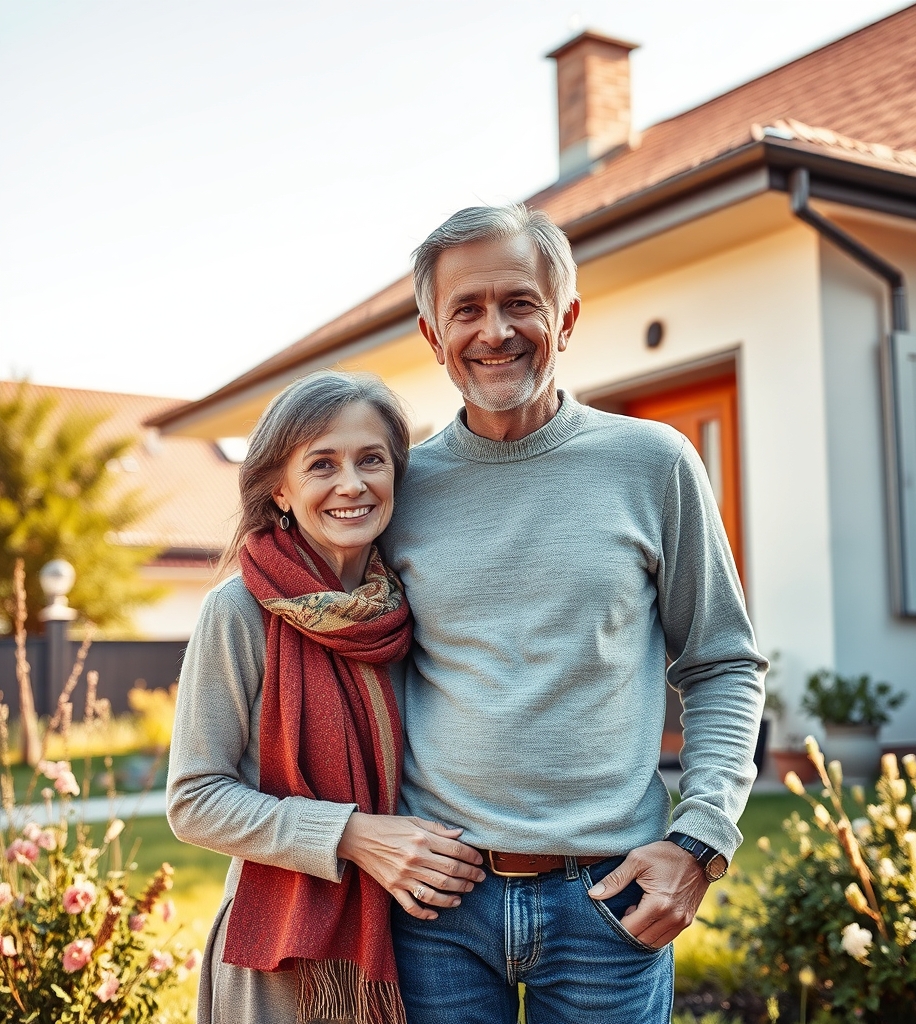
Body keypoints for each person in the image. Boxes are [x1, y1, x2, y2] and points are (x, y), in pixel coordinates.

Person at [379, 204, 768, 1024]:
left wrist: (700, 842)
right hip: (439, 904)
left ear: (566, 318)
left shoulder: (653, 463)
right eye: (466, 309)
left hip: (609, 900)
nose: (495, 331)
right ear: (432, 334)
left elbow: (723, 663)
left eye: (520, 302)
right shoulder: (399, 489)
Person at [167, 370, 485, 1024]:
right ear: (280, 489)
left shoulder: (409, 606)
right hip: (281, 960)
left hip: (416, 942)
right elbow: (194, 799)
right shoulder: (240, 610)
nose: (351, 484)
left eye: (371, 460)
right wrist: (351, 836)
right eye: (321, 464)